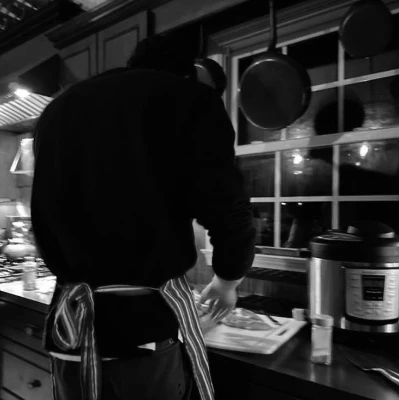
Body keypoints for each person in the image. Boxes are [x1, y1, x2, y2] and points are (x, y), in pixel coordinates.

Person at [31, 29, 255, 400]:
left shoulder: (57, 108)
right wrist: (228, 280)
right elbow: (227, 205)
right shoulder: (189, 97)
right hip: (141, 334)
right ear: (190, 72)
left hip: (70, 330)